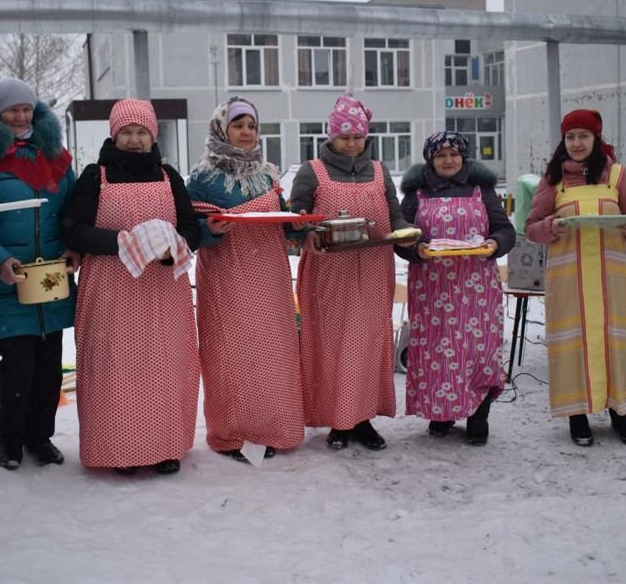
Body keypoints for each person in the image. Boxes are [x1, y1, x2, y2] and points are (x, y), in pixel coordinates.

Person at [62, 98, 200, 475]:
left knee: (166, 366)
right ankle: (119, 449)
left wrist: (171, 250)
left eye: (142, 132)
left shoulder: (170, 177)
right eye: (127, 132)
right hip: (110, 288)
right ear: (114, 134)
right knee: (116, 368)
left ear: (152, 135)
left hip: (162, 288)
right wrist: (122, 243)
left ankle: (166, 445)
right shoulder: (95, 175)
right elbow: (74, 228)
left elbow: (190, 228)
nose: (135, 139)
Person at [0, 77, 78, 470]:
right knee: (19, 365)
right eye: (12, 110)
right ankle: (9, 440)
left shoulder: (52, 150)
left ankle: (40, 437)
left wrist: (74, 246)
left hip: (50, 272)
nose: (21, 116)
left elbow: (73, 207)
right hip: (5, 276)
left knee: (49, 366)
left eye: (26, 109)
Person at [289, 95, 414, 451]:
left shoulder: (379, 170)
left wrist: (408, 235)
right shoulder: (312, 171)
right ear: (331, 137)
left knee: (369, 343)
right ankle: (338, 421)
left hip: (374, 270)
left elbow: (395, 214)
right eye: (344, 137)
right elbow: (296, 215)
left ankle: (363, 418)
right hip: (329, 272)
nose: (351, 143)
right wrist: (305, 233)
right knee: (332, 344)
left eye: (357, 137)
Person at [187, 96, 304, 462]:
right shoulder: (203, 176)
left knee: (273, 352)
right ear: (222, 128)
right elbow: (189, 227)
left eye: (251, 126)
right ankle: (232, 433)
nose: (246, 132)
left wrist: (296, 223)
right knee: (231, 353)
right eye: (238, 125)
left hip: (269, 273)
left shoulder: (268, 172)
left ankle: (275, 427)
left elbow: (281, 218)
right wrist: (210, 229)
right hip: (227, 275)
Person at [525, 109, 626, 446]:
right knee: (572, 344)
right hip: (569, 278)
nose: (577, 143)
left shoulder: (617, 176)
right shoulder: (554, 180)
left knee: (613, 342)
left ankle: (619, 411)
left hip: (611, 277)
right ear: (563, 141)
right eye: (570, 137)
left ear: (596, 140)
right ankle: (577, 414)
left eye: (584, 136)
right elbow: (532, 228)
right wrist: (552, 227)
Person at [397, 131, 515, 445]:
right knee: (438, 351)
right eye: (440, 155)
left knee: (477, 350)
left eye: (453, 154)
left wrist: (495, 243)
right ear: (430, 160)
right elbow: (401, 235)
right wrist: (415, 249)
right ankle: (442, 411)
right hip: (432, 288)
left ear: (463, 157)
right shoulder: (416, 192)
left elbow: (505, 229)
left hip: (477, 286)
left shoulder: (482, 189)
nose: (448, 160)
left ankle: (478, 413)